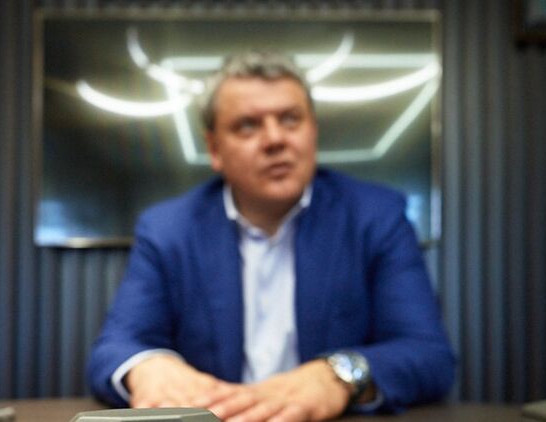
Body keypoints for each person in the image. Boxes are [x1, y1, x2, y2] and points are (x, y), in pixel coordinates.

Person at [87, 51, 455, 421]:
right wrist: (148, 366)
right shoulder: (168, 229)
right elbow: (116, 346)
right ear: (214, 148)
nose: (275, 139)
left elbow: (428, 354)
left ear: (313, 131)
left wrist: (338, 375)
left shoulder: (376, 217)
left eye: (291, 119)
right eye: (248, 125)